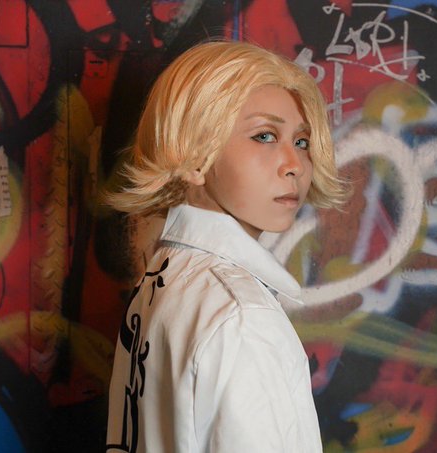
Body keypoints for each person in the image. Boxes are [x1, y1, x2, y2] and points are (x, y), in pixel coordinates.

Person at [105, 40, 347, 452]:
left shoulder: (165, 272)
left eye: (302, 141)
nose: (294, 164)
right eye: (265, 136)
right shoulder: (243, 320)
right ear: (195, 157)